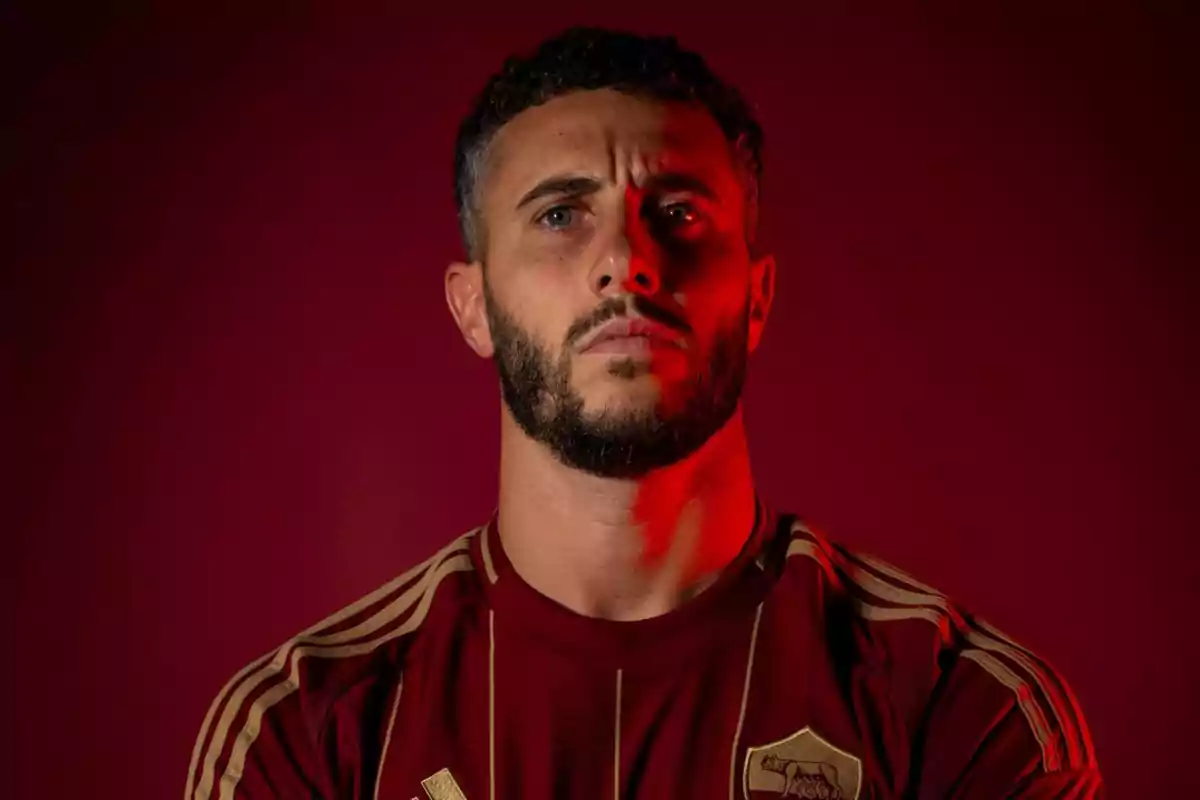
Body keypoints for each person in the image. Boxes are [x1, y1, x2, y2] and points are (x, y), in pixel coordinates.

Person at [184, 27, 1100, 800]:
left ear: (757, 297)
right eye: (559, 216)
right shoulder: (307, 731)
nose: (627, 259)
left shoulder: (964, 709)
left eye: (678, 211)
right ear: (472, 307)